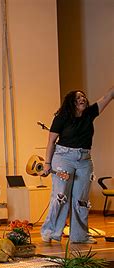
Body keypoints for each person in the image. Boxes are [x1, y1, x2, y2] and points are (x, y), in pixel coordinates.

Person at [41, 86, 114, 244]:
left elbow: (107, 96)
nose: (83, 99)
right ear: (71, 102)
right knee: (61, 196)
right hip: (63, 158)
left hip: (84, 159)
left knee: (81, 199)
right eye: (78, 97)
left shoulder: (89, 113)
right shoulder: (62, 117)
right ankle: (50, 232)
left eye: (84, 97)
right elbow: (51, 141)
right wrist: (47, 163)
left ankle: (79, 236)